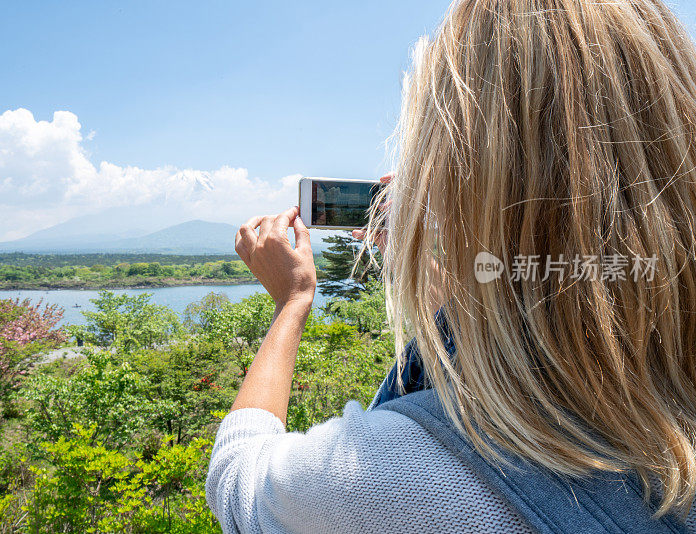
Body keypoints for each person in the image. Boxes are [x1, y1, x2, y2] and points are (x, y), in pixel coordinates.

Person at [206, 0, 696, 532]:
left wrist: (292, 300)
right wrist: (421, 255)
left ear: (459, 173)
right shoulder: (668, 401)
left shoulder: (394, 476)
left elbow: (238, 481)